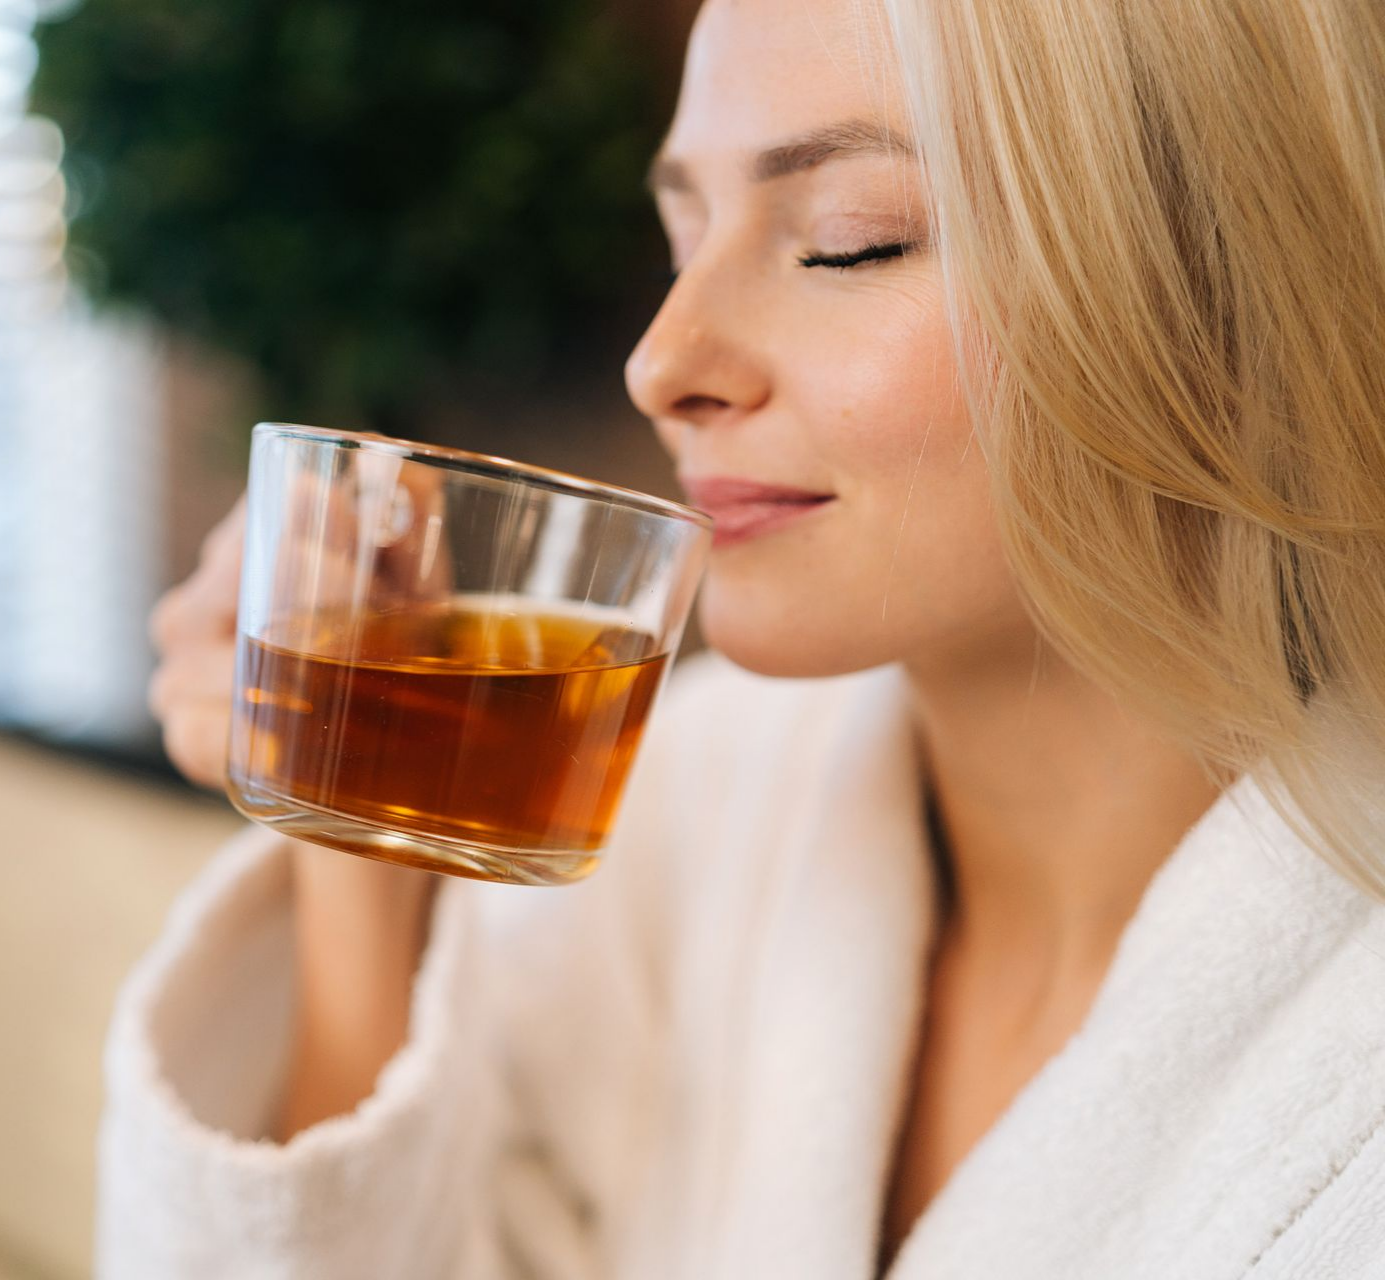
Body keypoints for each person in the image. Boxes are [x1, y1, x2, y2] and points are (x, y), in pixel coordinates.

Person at [97, 0, 1385, 1275]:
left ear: (1231, 286)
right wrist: (361, 850)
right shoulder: (691, 798)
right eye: (683, 241)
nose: (661, 363)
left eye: (848, 243)